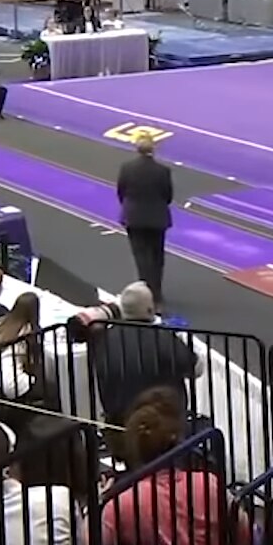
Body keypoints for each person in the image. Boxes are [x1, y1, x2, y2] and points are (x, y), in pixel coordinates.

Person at [101, 388, 249, 545]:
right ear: (178, 442)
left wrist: (98, 502)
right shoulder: (209, 484)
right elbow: (243, 531)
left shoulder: (121, 505)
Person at [89, 281, 196, 423]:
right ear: (150, 310)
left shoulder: (104, 339)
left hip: (117, 422)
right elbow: (194, 368)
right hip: (160, 426)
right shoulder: (162, 338)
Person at [116, 135, 173, 310]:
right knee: (157, 257)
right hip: (157, 218)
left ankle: (145, 294)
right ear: (153, 149)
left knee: (141, 257)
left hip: (134, 218)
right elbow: (168, 195)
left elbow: (121, 191)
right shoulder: (163, 171)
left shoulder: (127, 168)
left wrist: (129, 208)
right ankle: (157, 295)